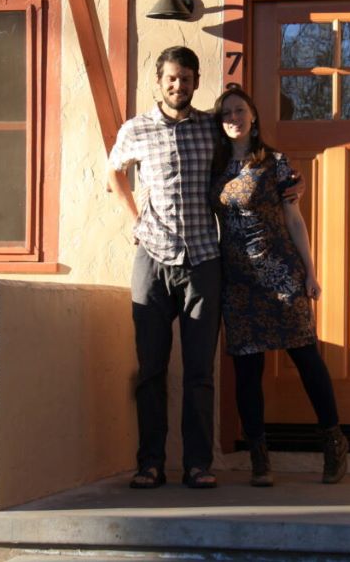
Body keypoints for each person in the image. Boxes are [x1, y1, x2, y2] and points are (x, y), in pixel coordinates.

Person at [209, 84, 349, 487]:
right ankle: (259, 458)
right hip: (237, 282)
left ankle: (335, 442)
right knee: (247, 371)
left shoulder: (276, 164)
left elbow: (293, 220)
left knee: (307, 360)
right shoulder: (215, 165)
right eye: (225, 113)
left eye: (239, 111)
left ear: (253, 117)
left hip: (280, 273)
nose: (233, 118)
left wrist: (310, 271)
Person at [106, 46, 222, 489]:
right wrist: (134, 219)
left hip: (203, 261)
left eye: (187, 78)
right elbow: (115, 172)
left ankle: (198, 465)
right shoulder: (136, 129)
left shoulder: (211, 128)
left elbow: (247, 153)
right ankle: (150, 463)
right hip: (152, 260)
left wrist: (290, 181)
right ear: (159, 81)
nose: (179, 85)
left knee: (199, 372)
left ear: (196, 81)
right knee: (151, 368)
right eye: (172, 78)